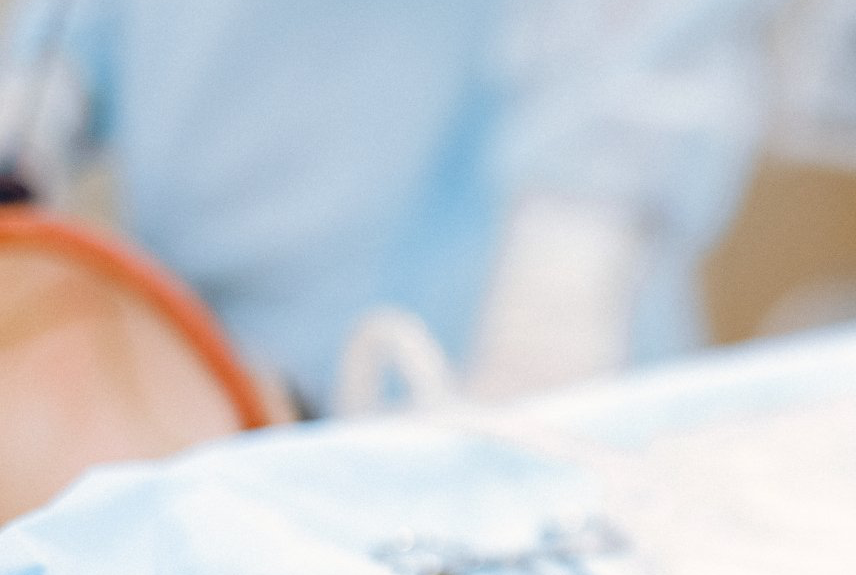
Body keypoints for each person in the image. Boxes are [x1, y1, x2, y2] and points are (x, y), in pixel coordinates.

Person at [0, 0, 779, 412]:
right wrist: (34, 112)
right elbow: (77, 35)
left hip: (469, 353)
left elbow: (637, 53)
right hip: (196, 366)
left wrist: (555, 312)